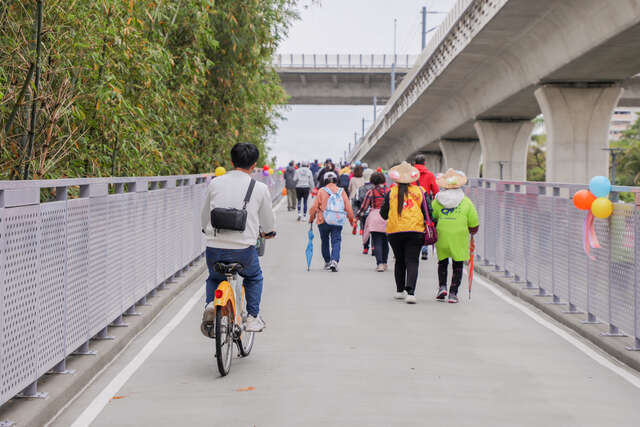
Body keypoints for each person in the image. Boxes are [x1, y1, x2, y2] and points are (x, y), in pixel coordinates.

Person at [200, 143, 276, 333]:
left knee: (214, 277)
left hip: (214, 248)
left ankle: (211, 304)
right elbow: (268, 221)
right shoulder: (259, 188)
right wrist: (268, 232)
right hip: (243, 250)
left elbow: (204, 215)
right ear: (254, 164)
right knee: (254, 277)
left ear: (232, 161)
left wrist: (205, 229)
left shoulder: (215, 183)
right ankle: (252, 318)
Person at [380, 161, 428, 304]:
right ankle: (411, 293)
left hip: (395, 230)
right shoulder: (420, 191)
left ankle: (400, 291)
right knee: (412, 260)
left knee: (399, 260)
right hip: (415, 230)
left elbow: (383, 214)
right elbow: (428, 211)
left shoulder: (391, 192)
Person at [431, 169, 479, 304]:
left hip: (442, 233)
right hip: (459, 234)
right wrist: (472, 231)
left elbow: (432, 216)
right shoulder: (466, 201)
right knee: (458, 264)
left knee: (442, 262)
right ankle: (453, 293)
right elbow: (474, 223)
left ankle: (442, 287)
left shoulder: (437, 200)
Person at [309, 171, 356, 272]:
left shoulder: (321, 191)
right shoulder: (341, 191)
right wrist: (351, 220)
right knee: (336, 240)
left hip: (323, 220)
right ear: (336, 180)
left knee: (324, 241)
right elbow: (348, 207)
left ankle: (327, 262)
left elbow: (314, 207)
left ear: (324, 181)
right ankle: (334, 260)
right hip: (337, 219)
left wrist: (311, 218)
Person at [360, 172, 390, 272]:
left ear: (373, 181)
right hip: (387, 218)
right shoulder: (389, 191)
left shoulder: (371, 192)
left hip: (375, 218)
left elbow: (364, 207)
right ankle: (385, 263)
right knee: (385, 242)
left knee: (377, 242)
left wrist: (358, 215)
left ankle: (379, 264)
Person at [413, 154, 439, 260]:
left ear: (414, 163)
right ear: (424, 163)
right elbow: (436, 191)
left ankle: (414, 247)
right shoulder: (430, 175)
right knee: (426, 223)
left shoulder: (411, 174)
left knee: (413, 223)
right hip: (425, 202)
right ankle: (424, 250)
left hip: (412, 201)